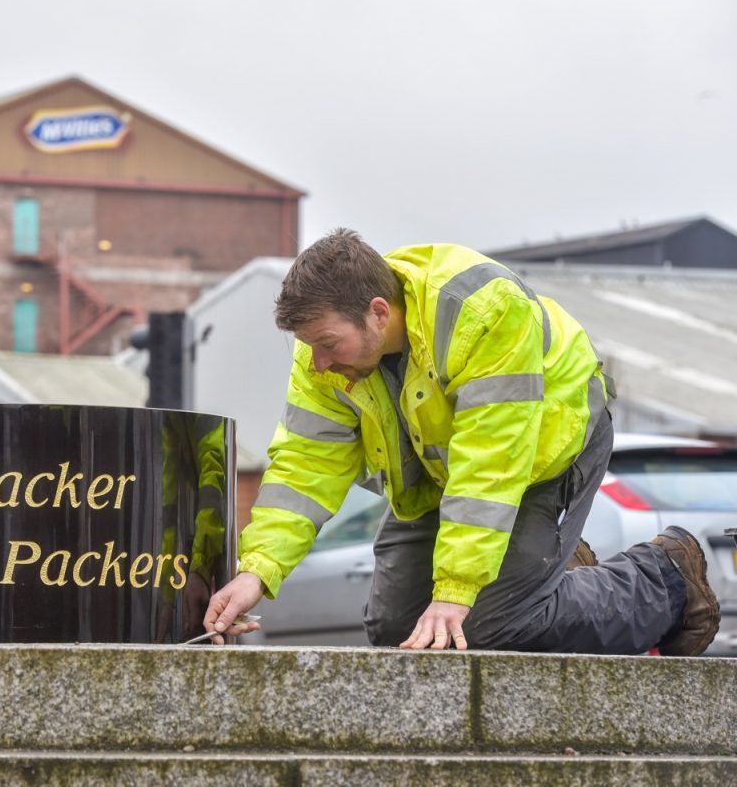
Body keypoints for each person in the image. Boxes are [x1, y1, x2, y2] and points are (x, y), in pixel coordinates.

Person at [203, 228, 720, 655]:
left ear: (379, 313)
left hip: (542, 454)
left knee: (483, 627)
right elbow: (305, 465)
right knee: (394, 633)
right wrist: (257, 574)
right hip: (442, 476)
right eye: (310, 346)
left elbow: (491, 463)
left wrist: (455, 590)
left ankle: (665, 577)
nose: (317, 362)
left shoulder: (484, 312)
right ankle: (542, 578)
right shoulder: (322, 356)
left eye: (327, 344)